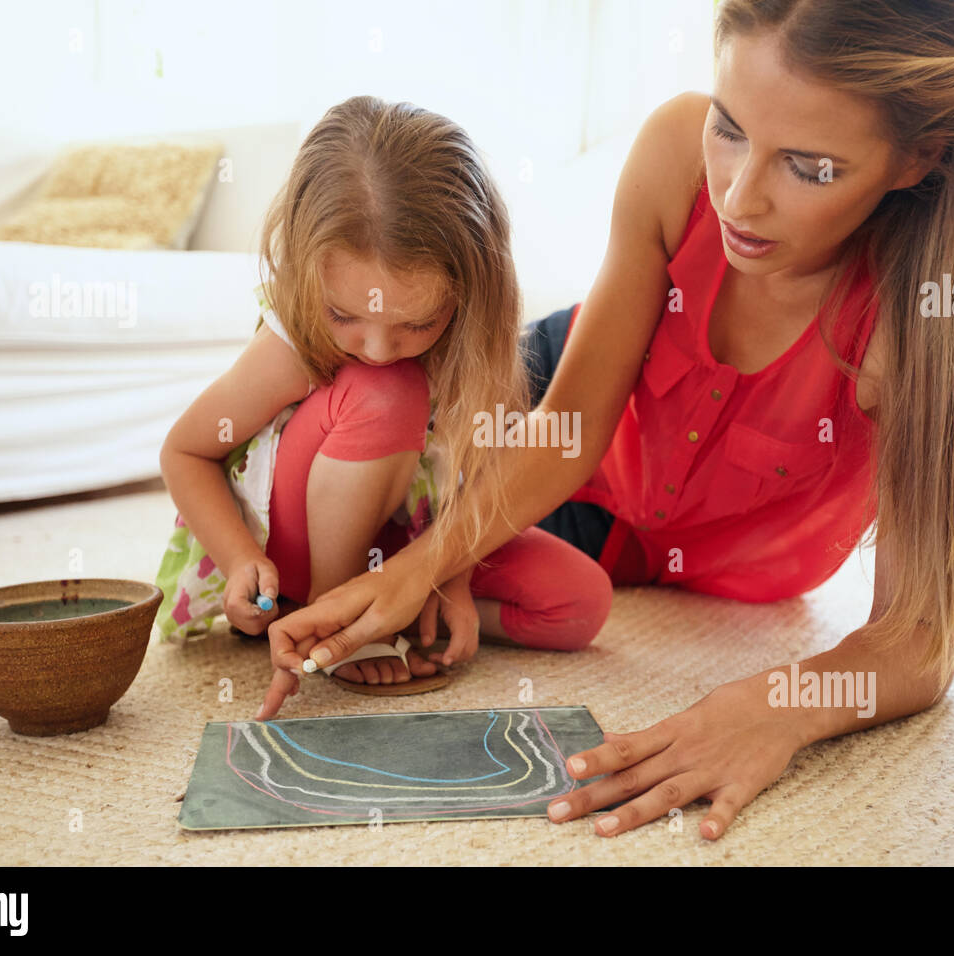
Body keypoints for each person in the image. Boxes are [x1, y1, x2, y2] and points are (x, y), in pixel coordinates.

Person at [261, 0, 954, 839]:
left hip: (664, 546)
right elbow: (570, 432)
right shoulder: (673, 151)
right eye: (729, 127)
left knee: (480, 571)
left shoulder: (936, 320)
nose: (737, 196)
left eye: (809, 168)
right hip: (559, 411)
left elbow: (920, 639)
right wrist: (420, 570)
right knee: (382, 461)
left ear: (920, 157)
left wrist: (777, 704)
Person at [155, 95, 612, 703]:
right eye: (345, 315)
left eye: (415, 325)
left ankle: (395, 609)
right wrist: (240, 559)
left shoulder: (478, 346)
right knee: (387, 392)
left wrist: (447, 575)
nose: (375, 347)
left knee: (581, 601)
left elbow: (485, 480)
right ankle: (330, 609)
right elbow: (185, 453)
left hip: (404, 539)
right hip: (300, 540)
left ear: (469, 294)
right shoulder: (294, 341)